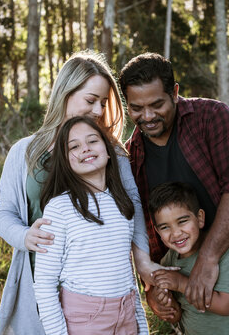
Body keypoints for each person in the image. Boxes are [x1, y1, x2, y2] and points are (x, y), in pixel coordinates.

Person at [119, 52, 229, 335]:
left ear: (174, 92)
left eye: (157, 104)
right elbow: (139, 228)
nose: (147, 116)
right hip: (184, 274)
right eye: (137, 108)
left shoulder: (210, 117)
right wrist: (152, 287)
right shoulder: (131, 156)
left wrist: (208, 259)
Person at [0, 51, 156, 335]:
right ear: (66, 94)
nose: (98, 110)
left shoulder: (110, 153)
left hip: (99, 288)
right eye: (91, 100)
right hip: (40, 279)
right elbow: (4, 212)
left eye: (104, 102)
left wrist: (142, 260)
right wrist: (24, 236)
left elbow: (133, 206)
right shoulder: (24, 152)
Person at [34, 116, 148, 334]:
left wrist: (141, 327)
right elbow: (45, 283)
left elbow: (127, 274)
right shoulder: (59, 208)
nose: (85, 148)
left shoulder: (122, 202)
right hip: (86, 319)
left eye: (92, 141)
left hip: (126, 313)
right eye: (74, 146)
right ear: (65, 161)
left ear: (107, 149)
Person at [149, 182, 229, 335]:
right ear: (157, 231)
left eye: (182, 221)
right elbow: (176, 316)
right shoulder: (168, 263)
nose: (176, 233)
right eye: (165, 227)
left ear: (199, 218)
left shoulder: (225, 253)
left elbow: (226, 306)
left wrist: (180, 283)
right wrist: (166, 302)